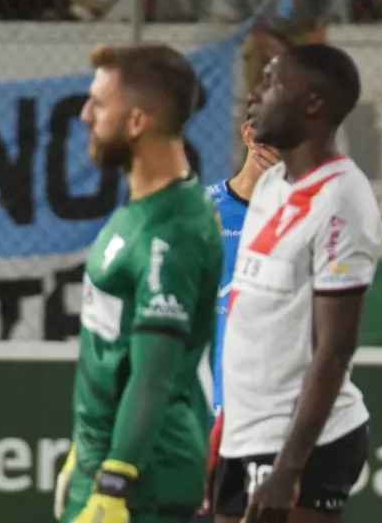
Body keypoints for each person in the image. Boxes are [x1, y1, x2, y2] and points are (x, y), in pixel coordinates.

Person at [53, 43, 223, 523]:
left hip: (143, 484)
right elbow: (111, 353)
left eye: (98, 104)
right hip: (105, 465)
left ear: (136, 122)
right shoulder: (137, 213)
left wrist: (113, 483)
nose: (85, 115)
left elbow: (154, 373)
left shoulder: (173, 231)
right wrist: (80, 453)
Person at [213, 43, 382, 523]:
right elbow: (250, 324)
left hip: (304, 446)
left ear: (313, 104)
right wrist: (221, 438)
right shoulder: (270, 186)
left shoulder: (343, 199)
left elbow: (335, 349)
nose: (254, 93)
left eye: (270, 82)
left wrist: (289, 468)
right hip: (241, 436)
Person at [194, 117, 282, 520]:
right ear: (248, 133)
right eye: (269, 136)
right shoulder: (202, 212)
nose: (276, 148)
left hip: (266, 417)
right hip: (199, 411)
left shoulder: (300, 217)